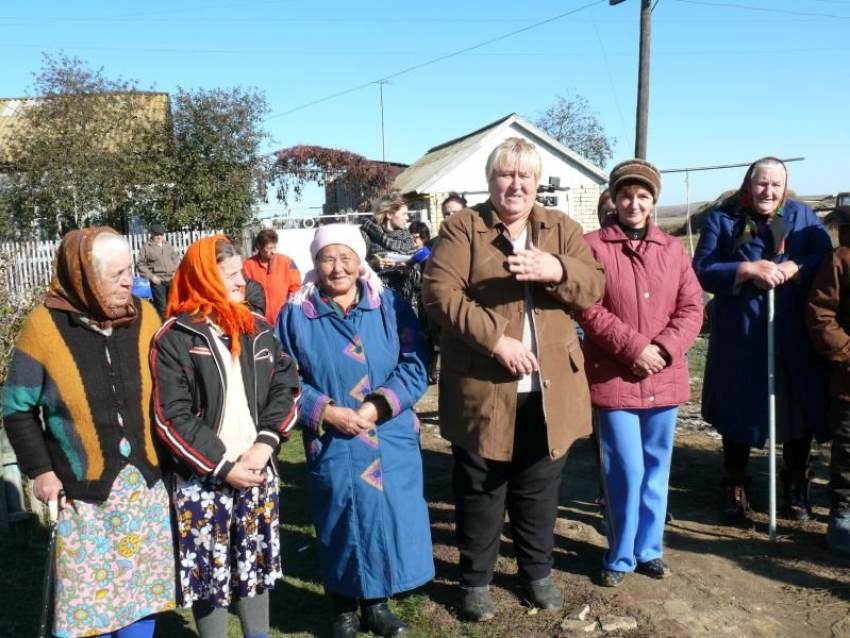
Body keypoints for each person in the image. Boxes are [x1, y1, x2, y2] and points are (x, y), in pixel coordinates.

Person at [422, 137, 605, 621]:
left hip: (550, 387)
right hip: (485, 383)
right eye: (506, 174)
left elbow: (594, 286)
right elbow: (440, 294)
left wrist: (557, 268)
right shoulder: (465, 228)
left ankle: (536, 572)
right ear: (490, 180)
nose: (516, 184)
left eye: (525, 175)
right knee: (481, 487)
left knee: (539, 485)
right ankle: (476, 581)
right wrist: (496, 340)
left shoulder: (561, 228)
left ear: (537, 182)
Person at [2, 227, 175, 638]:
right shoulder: (42, 328)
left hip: (146, 487)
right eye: (114, 274)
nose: (126, 282)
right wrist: (41, 471)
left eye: (129, 271)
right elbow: (17, 408)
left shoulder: (146, 316)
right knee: (90, 608)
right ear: (82, 276)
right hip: (82, 493)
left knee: (141, 594)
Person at [276, 224, 433, 638]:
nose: (338, 266)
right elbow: (281, 376)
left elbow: (416, 362)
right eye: (328, 258)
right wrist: (323, 410)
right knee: (340, 518)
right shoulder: (296, 312)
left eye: (346, 257)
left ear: (360, 260)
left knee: (384, 517)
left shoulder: (390, 305)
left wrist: (377, 404)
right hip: (333, 436)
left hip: (387, 431)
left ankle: (377, 606)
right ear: (315, 262)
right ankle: (343, 608)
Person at [150, 235, 301, 638]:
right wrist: (222, 466)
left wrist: (265, 443)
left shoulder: (259, 328)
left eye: (240, 272)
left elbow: (285, 387)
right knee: (208, 574)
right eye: (230, 274)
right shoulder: (176, 337)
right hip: (204, 476)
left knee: (254, 566)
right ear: (204, 278)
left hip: (255, 468)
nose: (241, 281)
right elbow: (171, 416)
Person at [575, 159, 703, 587]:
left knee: (656, 468)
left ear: (653, 202)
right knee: (624, 470)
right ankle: (620, 553)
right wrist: (634, 349)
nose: (634, 203)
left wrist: (663, 349)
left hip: (664, 377)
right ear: (613, 198)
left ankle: (650, 549)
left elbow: (692, 307)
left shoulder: (672, 248)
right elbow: (588, 307)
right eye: (626, 194)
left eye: (643, 196)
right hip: (615, 377)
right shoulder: (592, 245)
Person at [693, 157, 832, 521]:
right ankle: (736, 484)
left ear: (784, 186)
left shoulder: (802, 216)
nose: (768, 191)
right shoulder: (723, 218)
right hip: (741, 334)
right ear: (748, 184)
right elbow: (702, 270)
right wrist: (744, 269)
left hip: (793, 334)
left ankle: (796, 483)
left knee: (797, 411)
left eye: (775, 185)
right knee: (738, 409)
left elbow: (823, 255)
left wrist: (794, 266)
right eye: (761, 184)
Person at [806, 205, 850, 555]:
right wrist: (847, 355)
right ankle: (843, 512)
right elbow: (821, 314)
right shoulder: (841, 260)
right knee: (848, 449)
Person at [242, 228, 302, 325]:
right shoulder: (248, 265)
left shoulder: (287, 262)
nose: (273, 251)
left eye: (274, 247)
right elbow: (243, 292)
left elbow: (296, 289)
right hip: (259, 321)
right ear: (259, 247)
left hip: (284, 319)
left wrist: (291, 311)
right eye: (269, 248)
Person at [136, 222, 179, 319]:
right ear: (152, 234)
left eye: (160, 234)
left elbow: (175, 258)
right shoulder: (146, 248)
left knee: (173, 305)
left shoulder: (167, 245)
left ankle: (174, 327)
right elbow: (140, 265)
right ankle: (163, 329)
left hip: (171, 280)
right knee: (162, 308)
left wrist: (174, 271)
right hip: (158, 282)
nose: (158, 236)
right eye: (156, 234)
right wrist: (152, 277)